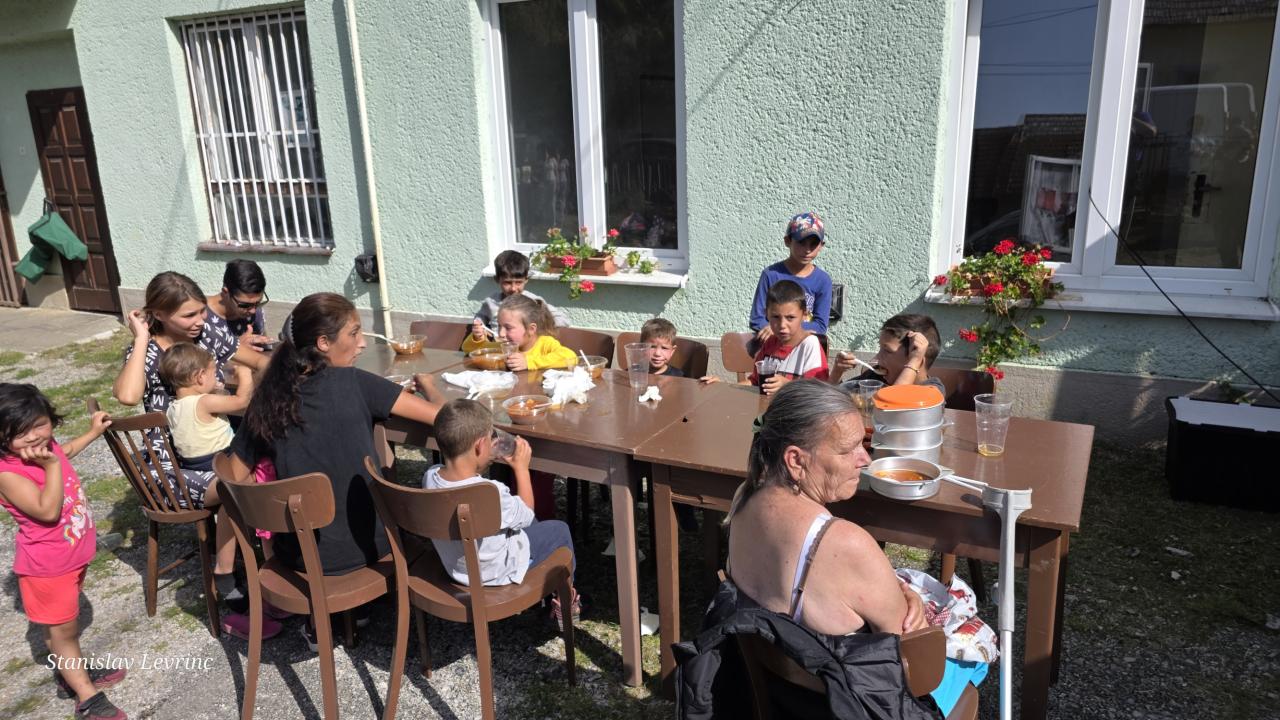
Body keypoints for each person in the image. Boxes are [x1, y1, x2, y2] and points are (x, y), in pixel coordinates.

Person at [724, 380, 987, 716]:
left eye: (863, 444)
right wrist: (912, 602)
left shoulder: (744, 499)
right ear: (796, 460)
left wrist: (897, 590)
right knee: (977, 656)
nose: (865, 458)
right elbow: (911, 652)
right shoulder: (843, 542)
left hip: (780, 688)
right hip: (843, 704)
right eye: (848, 449)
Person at [222, 292, 444, 650]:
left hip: (297, 557)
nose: (362, 343)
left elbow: (233, 478)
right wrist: (430, 387)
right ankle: (356, 608)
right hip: (371, 549)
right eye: (354, 333)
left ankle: (332, 616)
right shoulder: (356, 382)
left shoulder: (268, 399)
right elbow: (441, 418)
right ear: (323, 343)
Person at [0, 384, 127, 720]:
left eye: (40, 424)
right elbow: (47, 511)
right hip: (47, 568)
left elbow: (64, 450)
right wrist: (52, 466)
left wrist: (93, 433)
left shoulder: (45, 448)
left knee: (60, 630)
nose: (33, 436)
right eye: (19, 433)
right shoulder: (8, 473)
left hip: (71, 559)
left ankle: (70, 673)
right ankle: (87, 697)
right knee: (64, 634)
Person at [422, 399, 579, 627]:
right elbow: (526, 512)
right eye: (491, 438)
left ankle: (551, 597)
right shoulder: (489, 492)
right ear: (479, 446)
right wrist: (521, 469)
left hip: (458, 569)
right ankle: (566, 604)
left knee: (534, 524)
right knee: (559, 530)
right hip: (497, 570)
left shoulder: (430, 477)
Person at [156, 343, 270, 637]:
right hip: (216, 470)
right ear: (198, 377)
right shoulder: (204, 402)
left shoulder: (174, 407)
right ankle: (243, 564)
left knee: (233, 498)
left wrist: (217, 387)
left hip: (196, 473)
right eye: (212, 372)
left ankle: (233, 566)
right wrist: (245, 374)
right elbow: (244, 402)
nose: (216, 376)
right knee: (248, 487)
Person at [705, 280, 828, 394]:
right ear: (766, 314)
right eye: (775, 317)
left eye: (790, 318)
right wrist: (723, 387)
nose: (782, 325)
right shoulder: (770, 343)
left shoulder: (810, 345)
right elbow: (755, 382)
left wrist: (787, 385)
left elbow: (818, 392)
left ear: (805, 315)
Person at [749, 212, 833, 340]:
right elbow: (756, 319)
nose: (807, 250)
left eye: (813, 244)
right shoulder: (770, 275)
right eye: (801, 243)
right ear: (787, 241)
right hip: (772, 343)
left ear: (821, 246)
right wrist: (774, 329)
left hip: (803, 345)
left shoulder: (823, 280)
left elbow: (820, 326)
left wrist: (786, 329)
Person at [829, 314, 945, 396]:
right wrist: (837, 373)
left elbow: (893, 404)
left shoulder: (932, 391)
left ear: (918, 361)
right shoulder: (875, 379)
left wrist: (914, 362)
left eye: (887, 351)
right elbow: (831, 399)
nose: (877, 358)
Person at [471, 250, 570, 342]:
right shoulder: (491, 302)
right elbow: (480, 317)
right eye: (507, 283)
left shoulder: (534, 301)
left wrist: (542, 330)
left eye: (518, 282)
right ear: (497, 279)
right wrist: (479, 325)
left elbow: (562, 319)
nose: (513, 288)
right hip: (499, 348)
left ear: (526, 280)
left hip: (527, 351)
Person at [465, 293, 577, 372]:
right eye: (499, 326)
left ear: (531, 329)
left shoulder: (545, 344)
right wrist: (477, 338)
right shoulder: (503, 347)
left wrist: (528, 362)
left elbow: (570, 357)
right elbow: (471, 350)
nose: (501, 334)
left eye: (508, 328)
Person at [206, 259, 273, 351]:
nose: (253, 311)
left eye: (258, 303)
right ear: (226, 292)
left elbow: (263, 349)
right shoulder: (200, 317)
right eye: (245, 305)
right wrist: (236, 348)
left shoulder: (255, 311)